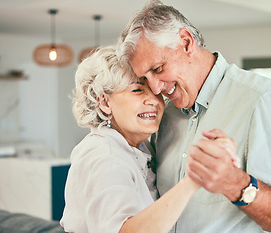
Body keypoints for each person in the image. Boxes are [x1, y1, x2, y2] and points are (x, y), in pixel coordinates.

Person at [117, 0, 271, 233]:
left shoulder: (262, 100)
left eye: (158, 69)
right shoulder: (167, 115)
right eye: (145, 79)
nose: (156, 88)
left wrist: (236, 184)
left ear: (186, 42)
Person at [60, 45, 202, 233]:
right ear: (104, 102)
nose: (153, 100)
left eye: (156, 92)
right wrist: (194, 179)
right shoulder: (104, 155)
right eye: (137, 90)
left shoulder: (141, 147)